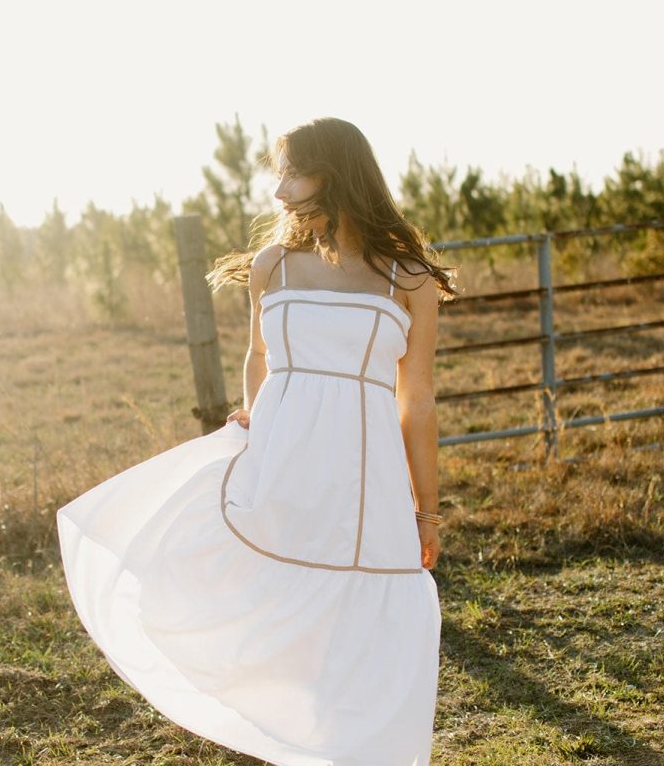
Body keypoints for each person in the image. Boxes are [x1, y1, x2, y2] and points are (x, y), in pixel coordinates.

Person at [56, 117, 459, 766]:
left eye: (293, 173)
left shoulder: (406, 278)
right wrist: (250, 415)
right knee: (277, 617)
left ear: (337, 173)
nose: (279, 192)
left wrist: (427, 508)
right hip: (283, 463)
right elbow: (258, 358)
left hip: (367, 483)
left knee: (369, 631)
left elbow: (418, 401)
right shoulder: (273, 265)